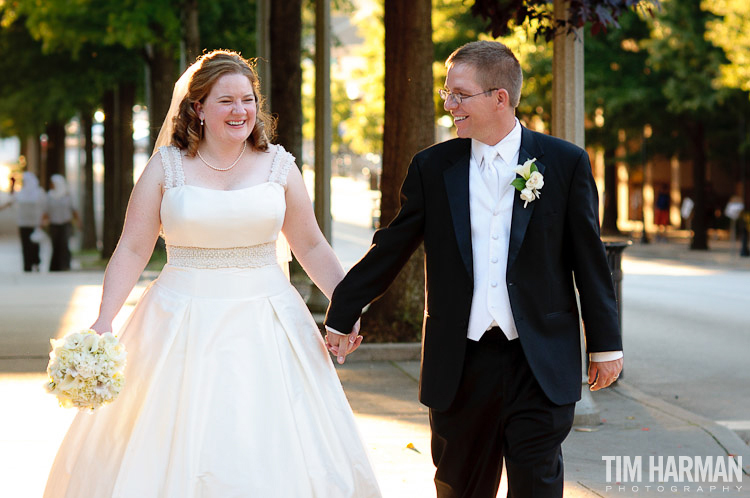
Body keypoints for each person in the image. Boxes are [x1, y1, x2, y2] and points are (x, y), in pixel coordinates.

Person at [45, 50, 380, 497]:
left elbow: (312, 245)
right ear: (198, 107)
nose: (240, 110)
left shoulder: (279, 166)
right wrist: (104, 320)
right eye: (226, 101)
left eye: (247, 99)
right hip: (177, 321)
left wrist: (347, 306)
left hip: (269, 323)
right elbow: (131, 247)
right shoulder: (166, 167)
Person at [325, 40, 623, 498]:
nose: (449, 105)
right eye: (446, 94)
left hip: (539, 361)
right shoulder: (432, 167)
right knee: (460, 488)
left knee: (538, 485)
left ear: (499, 97)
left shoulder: (565, 163)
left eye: (459, 95)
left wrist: (604, 344)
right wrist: (342, 310)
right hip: (459, 365)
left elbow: (589, 259)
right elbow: (392, 246)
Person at [13, 172, 47, 272]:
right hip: (23, 223)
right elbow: (12, 200)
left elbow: (44, 207)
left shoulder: (39, 192)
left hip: (35, 223)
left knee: (34, 245)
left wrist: (42, 221)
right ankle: (27, 265)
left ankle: (36, 263)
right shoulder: (21, 192)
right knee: (25, 245)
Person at [45, 174, 78, 271]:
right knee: (55, 245)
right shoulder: (49, 196)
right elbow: (46, 210)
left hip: (65, 224)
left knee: (64, 244)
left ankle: (65, 265)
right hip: (54, 224)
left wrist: (78, 222)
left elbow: (74, 210)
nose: (51, 185)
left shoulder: (68, 195)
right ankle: (54, 266)